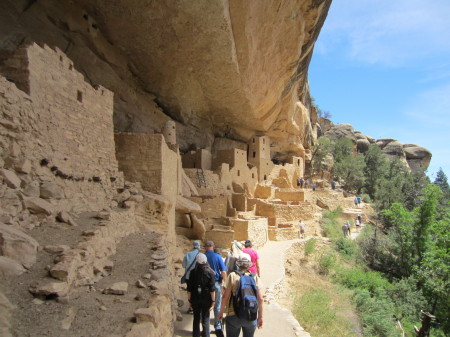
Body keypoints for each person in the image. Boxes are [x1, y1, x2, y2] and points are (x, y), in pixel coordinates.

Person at [218, 253, 264, 337]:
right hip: (250, 313)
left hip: (233, 313)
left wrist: (221, 312)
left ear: (238, 263)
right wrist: (260, 317)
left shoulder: (232, 276)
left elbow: (225, 297)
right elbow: (260, 299)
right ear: (249, 264)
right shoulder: (254, 277)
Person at [187, 253, 216, 337]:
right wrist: (213, 301)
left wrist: (189, 300)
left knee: (196, 318)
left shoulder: (193, 272)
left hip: (195, 297)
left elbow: (189, 288)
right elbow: (212, 289)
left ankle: (196, 335)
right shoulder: (210, 273)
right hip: (206, 298)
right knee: (205, 319)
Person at [205, 241, 227, 336]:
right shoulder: (217, 257)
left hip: (205, 285)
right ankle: (218, 327)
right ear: (213, 247)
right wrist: (225, 284)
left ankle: (206, 329)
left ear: (205, 247)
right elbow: (223, 271)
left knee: (206, 306)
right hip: (216, 284)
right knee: (217, 306)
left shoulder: (202, 256)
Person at [182, 241, 201, 314]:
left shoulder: (187, 254)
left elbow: (183, 265)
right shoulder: (200, 255)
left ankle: (190, 307)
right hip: (197, 277)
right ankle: (197, 306)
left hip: (189, 277)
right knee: (197, 291)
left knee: (189, 292)